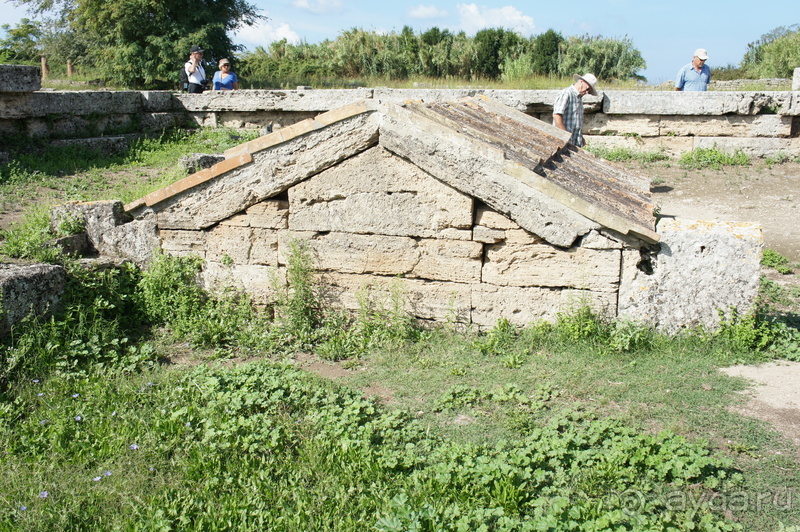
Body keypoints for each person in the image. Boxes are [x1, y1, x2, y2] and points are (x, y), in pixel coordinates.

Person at [552, 73, 598, 147]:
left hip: (574, 141)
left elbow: (575, 122)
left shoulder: (578, 98)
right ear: (582, 82)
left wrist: (581, 137)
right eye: (587, 89)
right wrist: (564, 135)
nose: (587, 92)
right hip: (563, 140)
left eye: (589, 91)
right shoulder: (567, 93)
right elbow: (556, 115)